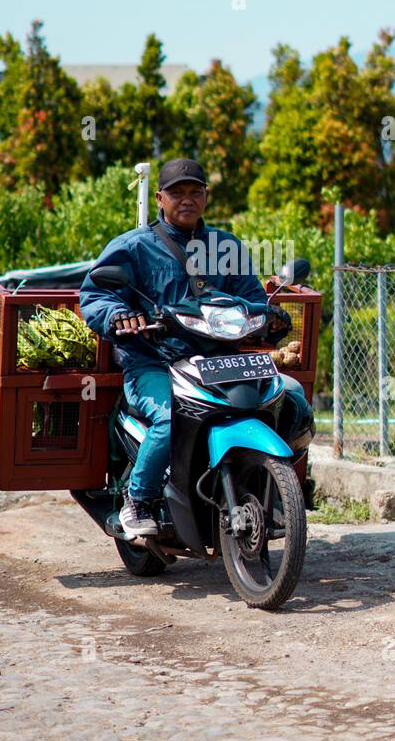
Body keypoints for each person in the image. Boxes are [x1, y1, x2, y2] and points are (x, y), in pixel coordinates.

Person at [79, 158, 294, 541]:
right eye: (177, 193)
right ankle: (138, 501)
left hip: (218, 360)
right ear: (160, 198)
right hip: (154, 360)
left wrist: (270, 317)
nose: (187, 200)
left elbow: (251, 298)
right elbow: (96, 294)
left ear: (206, 197)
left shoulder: (225, 246)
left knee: (288, 401)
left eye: (195, 192)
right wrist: (119, 316)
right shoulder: (135, 246)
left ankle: (275, 492)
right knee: (168, 420)